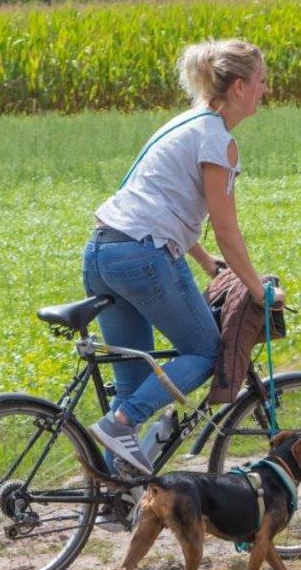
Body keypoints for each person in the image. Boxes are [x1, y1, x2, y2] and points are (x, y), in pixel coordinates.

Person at [82, 38, 284, 478]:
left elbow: (160, 201)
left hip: (103, 252)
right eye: (261, 82)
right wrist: (259, 290)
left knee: (133, 382)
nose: (265, 91)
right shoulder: (218, 139)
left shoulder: (183, 124)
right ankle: (119, 425)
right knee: (206, 349)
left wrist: (207, 261)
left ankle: (111, 493)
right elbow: (226, 226)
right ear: (237, 87)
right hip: (141, 257)